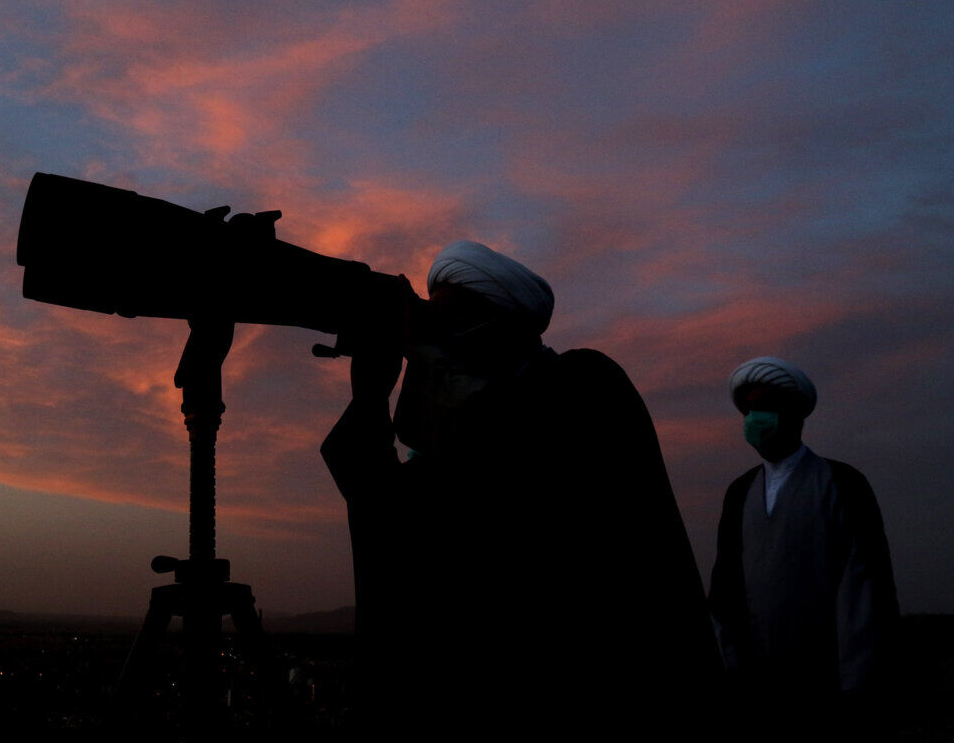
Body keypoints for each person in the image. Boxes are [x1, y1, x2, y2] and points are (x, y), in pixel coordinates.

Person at [321, 240, 720, 735]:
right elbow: (388, 516)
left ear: (509, 326)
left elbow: (512, 463)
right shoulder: (448, 448)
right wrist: (370, 396)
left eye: (455, 323)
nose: (439, 344)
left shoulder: (583, 385)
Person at [708, 356, 898, 729]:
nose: (754, 420)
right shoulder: (740, 491)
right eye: (749, 410)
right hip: (757, 689)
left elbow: (863, 589)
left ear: (795, 413)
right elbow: (725, 587)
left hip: (827, 689)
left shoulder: (841, 483)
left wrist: (855, 686)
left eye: (765, 407)